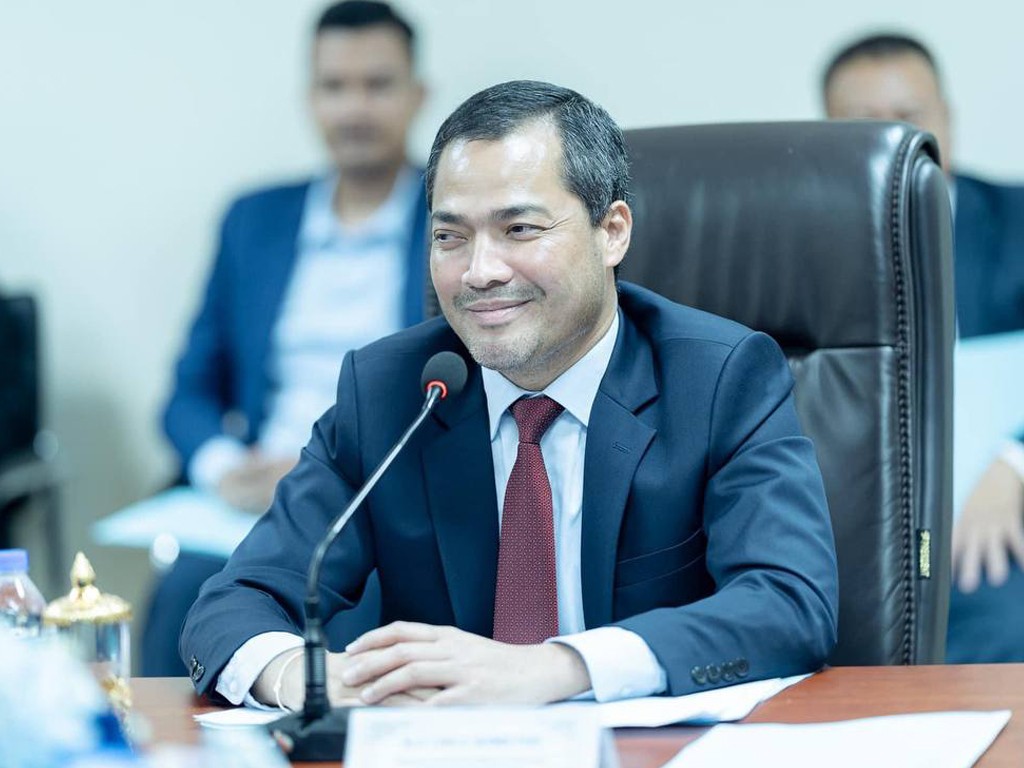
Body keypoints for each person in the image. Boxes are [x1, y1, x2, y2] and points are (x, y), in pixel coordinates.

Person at [181, 80, 838, 707]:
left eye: (519, 229)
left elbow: (789, 602)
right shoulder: (392, 393)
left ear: (612, 231)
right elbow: (232, 604)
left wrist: (558, 668)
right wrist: (311, 679)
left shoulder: (718, 379)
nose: (479, 272)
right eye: (450, 237)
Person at [144, 0, 427, 675]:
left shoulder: (452, 219)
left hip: (380, 499)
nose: (354, 108)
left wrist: (318, 473)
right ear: (310, 98)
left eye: (377, 84)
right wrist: (226, 469)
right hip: (254, 502)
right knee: (183, 604)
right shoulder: (255, 220)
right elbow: (187, 394)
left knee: (348, 626)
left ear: (417, 95)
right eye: (335, 86)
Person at [823, 32, 1024, 662]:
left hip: (991, 517)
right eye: (866, 124)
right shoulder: (796, 248)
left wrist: (1016, 463)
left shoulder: (1017, 223)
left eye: (910, 117)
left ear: (948, 120)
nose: (896, 141)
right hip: (852, 530)